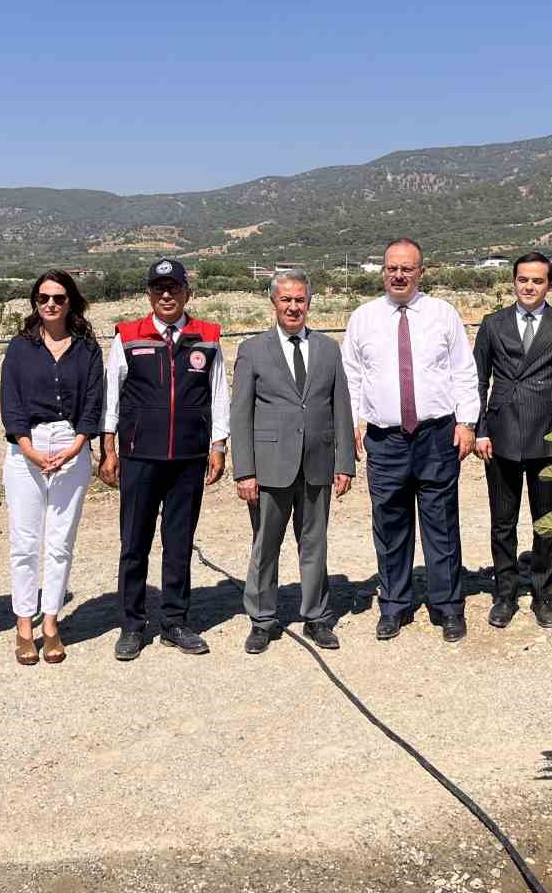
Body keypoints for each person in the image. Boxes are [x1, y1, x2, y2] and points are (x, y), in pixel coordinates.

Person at [341, 238, 480, 642]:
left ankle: (448, 607)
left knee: (441, 525)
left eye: (407, 268)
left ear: (421, 272)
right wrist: (351, 425)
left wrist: (467, 421)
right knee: (389, 525)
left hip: (437, 436)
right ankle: (394, 605)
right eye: (391, 268)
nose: (398, 275)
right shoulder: (363, 318)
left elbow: (463, 371)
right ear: (383, 272)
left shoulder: (442, 314)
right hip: (385, 440)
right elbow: (351, 377)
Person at [100, 258, 230, 660]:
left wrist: (219, 445)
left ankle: (175, 621)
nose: (167, 295)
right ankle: (132, 624)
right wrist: (108, 448)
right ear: (150, 294)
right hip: (140, 456)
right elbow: (110, 395)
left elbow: (219, 392)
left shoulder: (206, 337)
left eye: (174, 288)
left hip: (188, 457)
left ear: (188, 292)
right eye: (159, 289)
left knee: (179, 543)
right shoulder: (127, 336)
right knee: (134, 543)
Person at [231, 268, 355, 654]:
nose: (293, 306)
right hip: (269, 467)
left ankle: (317, 616)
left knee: (314, 544)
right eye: (286, 299)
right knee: (265, 545)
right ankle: (262, 619)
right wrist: (245, 471)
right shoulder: (252, 350)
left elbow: (341, 408)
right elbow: (240, 415)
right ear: (273, 303)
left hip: (317, 462)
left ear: (309, 302)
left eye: (300, 299)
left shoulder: (328, 348)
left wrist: (345, 463)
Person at [472, 252, 552, 630]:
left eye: (537, 281)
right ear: (514, 281)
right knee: (502, 522)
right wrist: (480, 429)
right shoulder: (492, 324)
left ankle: (542, 594)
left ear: (549, 285)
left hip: (549, 435)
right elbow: (478, 380)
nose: (529, 287)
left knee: (547, 522)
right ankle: (504, 595)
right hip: (501, 433)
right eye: (523, 279)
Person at [0, 270, 103, 666]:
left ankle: (51, 624)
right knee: (25, 543)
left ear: (71, 301)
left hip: (72, 444)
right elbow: (11, 403)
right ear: (34, 302)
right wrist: (29, 449)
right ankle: (24, 626)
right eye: (44, 298)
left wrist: (77, 447)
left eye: (59, 298)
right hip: (27, 445)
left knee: (60, 543)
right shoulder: (20, 347)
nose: (51, 304)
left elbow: (94, 403)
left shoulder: (87, 349)